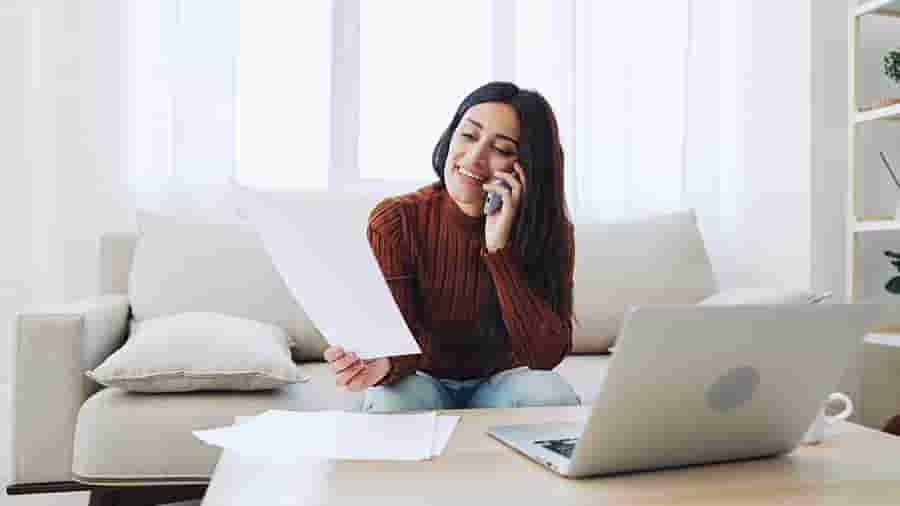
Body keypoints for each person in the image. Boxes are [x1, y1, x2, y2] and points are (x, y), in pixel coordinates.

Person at [325, 81, 579, 412]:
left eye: (501, 149)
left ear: (527, 166)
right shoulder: (397, 220)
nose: (474, 158)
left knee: (548, 394)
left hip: (501, 382)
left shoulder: (549, 229)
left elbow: (546, 355)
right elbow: (399, 331)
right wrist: (380, 366)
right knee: (392, 402)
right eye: (469, 136)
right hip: (421, 378)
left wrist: (498, 250)